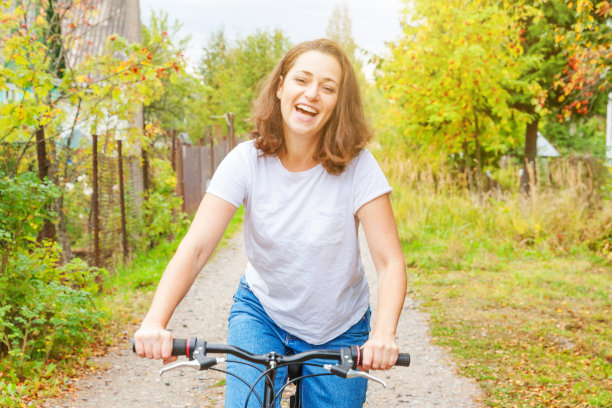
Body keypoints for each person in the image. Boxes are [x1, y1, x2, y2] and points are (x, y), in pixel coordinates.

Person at [134, 38, 407, 408]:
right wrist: (155, 321)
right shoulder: (245, 161)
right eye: (302, 80)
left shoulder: (359, 168)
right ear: (281, 86)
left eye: (328, 88)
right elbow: (196, 248)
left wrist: (383, 335)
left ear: (338, 104)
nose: (312, 94)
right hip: (263, 313)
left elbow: (389, 262)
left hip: (340, 327)